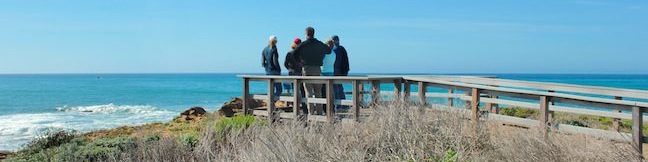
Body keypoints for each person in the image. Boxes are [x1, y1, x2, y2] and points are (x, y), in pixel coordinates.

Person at [293, 27, 331, 115]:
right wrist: (320, 55)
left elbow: (294, 53)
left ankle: (311, 112)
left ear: (306, 34)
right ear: (313, 33)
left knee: (309, 91)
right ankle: (319, 111)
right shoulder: (319, 44)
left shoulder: (304, 44)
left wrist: (300, 62)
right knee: (318, 91)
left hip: (306, 69)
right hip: (317, 68)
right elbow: (328, 51)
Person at [285, 37, 307, 114]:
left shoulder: (289, 53)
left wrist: (290, 69)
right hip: (299, 73)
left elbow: (285, 64)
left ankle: (295, 108)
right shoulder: (302, 53)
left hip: (291, 74)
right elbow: (304, 64)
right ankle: (304, 109)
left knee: (294, 91)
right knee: (302, 91)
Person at [262, 35, 282, 100]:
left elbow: (262, 62)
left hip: (268, 72)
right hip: (275, 72)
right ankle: (273, 102)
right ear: (276, 41)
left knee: (270, 90)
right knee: (279, 89)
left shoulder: (264, 49)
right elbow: (275, 61)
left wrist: (267, 68)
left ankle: (271, 106)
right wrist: (279, 69)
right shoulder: (274, 49)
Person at [331, 35, 349, 105]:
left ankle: (339, 104)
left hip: (336, 70)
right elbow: (346, 61)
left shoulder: (335, 50)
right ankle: (343, 104)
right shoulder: (342, 48)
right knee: (340, 88)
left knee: (336, 88)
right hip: (341, 71)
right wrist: (345, 71)